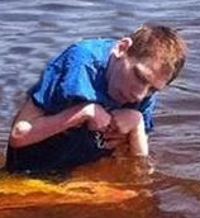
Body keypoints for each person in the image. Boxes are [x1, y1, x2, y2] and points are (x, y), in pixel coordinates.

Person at [6, 24, 187, 175]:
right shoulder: (80, 63)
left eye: (153, 89)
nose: (140, 95)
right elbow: (18, 136)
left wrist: (137, 126)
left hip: (78, 172)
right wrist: (83, 113)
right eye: (139, 77)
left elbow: (141, 170)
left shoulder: (145, 90)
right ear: (121, 48)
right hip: (29, 169)